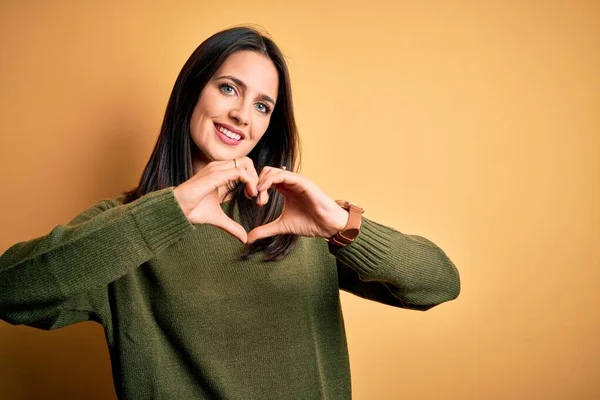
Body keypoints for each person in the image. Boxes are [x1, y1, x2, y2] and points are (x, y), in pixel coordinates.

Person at [0, 26, 460, 399]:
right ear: (190, 94)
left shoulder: (296, 220)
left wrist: (343, 227)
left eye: (262, 106)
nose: (243, 114)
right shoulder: (126, 228)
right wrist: (169, 210)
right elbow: (10, 289)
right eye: (227, 88)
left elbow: (439, 284)